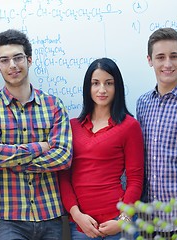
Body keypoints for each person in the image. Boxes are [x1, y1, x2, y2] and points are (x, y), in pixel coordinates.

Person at [0, 29, 73, 240]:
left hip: (50, 212)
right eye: (5, 60)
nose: (12, 65)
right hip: (6, 216)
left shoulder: (54, 105)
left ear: (29, 59)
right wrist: (41, 147)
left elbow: (63, 156)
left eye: (18, 57)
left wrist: (13, 163)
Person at [59, 58, 144, 239]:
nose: (102, 90)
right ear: (87, 88)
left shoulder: (130, 126)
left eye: (109, 83)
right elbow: (64, 177)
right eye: (95, 83)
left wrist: (124, 220)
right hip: (82, 226)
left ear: (117, 87)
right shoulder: (72, 126)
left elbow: (135, 179)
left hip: (117, 223)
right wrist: (76, 215)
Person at [136, 27, 177, 236]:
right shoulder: (143, 103)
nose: (168, 64)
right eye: (160, 57)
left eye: (174, 56)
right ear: (150, 60)